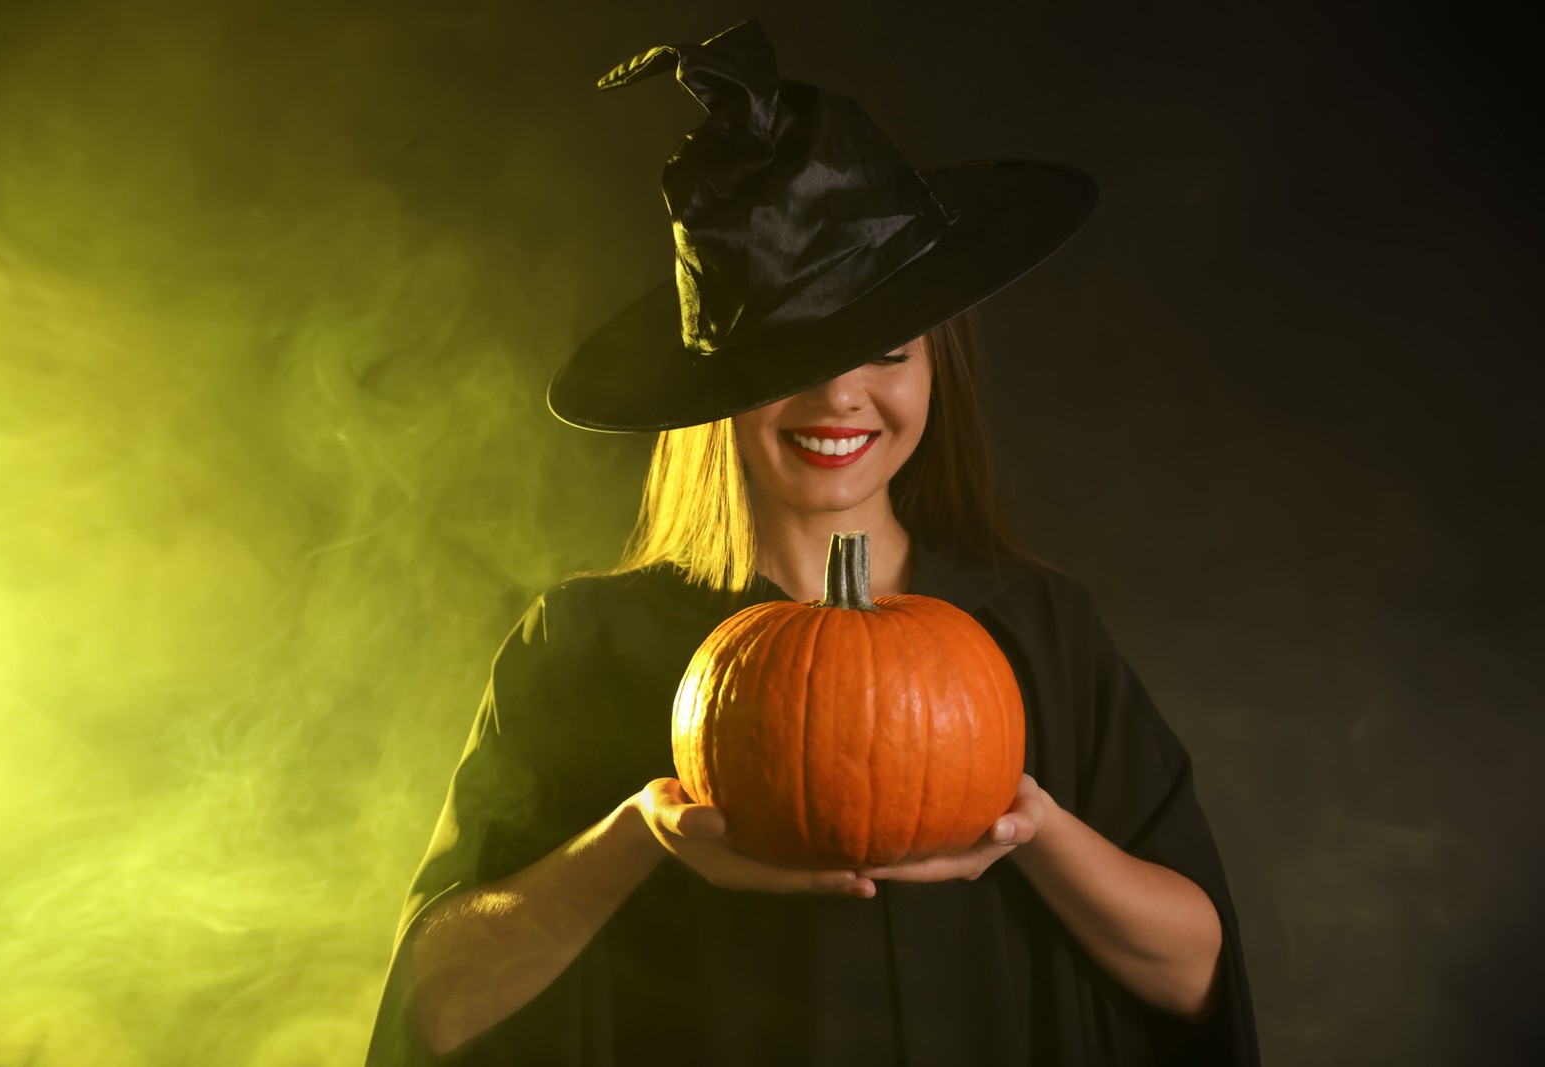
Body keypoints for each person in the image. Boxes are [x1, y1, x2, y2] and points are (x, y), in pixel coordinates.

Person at [365, 19, 1259, 1066]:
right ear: (716, 394)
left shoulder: (1038, 629)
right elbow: (439, 1005)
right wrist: (635, 838)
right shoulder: (583, 644)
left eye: (885, 348)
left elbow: (1194, 973)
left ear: (937, 372)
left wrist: (1030, 828)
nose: (841, 394)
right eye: (795, 351)